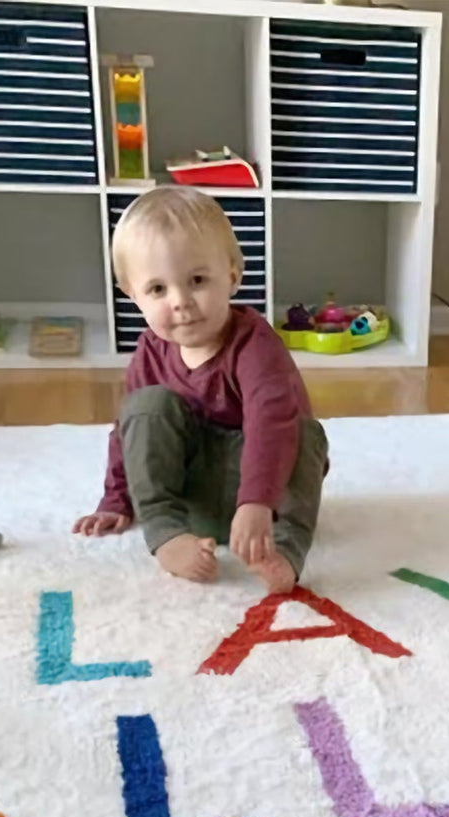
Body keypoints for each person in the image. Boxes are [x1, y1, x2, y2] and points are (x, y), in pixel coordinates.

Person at [74, 186, 327, 591]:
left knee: (301, 432)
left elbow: (270, 424)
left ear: (231, 276)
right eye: (158, 289)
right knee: (145, 407)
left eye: (197, 280)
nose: (180, 301)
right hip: (190, 497)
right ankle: (166, 532)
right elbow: (131, 432)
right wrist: (115, 499)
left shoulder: (256, 345)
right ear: (133, 296)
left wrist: (256, 502)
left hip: (264, 501)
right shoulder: (150, 351)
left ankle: (285, 551)